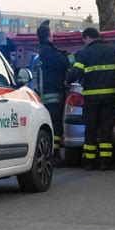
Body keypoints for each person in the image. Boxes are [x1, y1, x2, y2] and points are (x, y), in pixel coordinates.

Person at [65, 27, 115, 171]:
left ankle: (89, 162)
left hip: (91, 99)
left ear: (86, 38)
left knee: (90, 130)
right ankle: (105, 162)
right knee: (106, 130)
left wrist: (67, 81)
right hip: (110, 98)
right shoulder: (114, 51)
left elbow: (75, 72)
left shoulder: (84, 54)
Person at [37, 23, 72, 166]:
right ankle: (54, 154)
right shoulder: (47, 51)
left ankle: (54, 152)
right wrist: (75, 57)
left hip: (51, 93)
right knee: (55, 125)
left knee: (56, 124)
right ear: (50, 36)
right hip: (53, 94)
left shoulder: (47, 51)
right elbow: (63, 63)